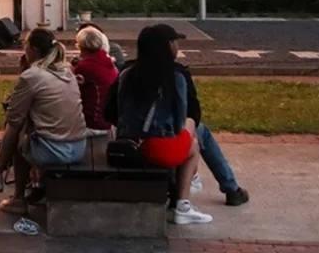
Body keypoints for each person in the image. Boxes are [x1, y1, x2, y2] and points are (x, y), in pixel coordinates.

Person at [0, 29, 89, 214]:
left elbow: (14, 118)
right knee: (25, 128)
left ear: (32, 49)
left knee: (18, 130)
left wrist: (24, 73)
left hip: (55, 150)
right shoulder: (66, 71)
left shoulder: (32, 76)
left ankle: (10, 190)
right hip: (78, 146)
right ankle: (4, 176)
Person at [104, 25, 212, 225]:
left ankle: (189, 185)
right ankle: (183, 204)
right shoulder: (175, 77)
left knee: (190, 135)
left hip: (125, 146)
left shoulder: (126, 74)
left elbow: (111, 111)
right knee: (193, 141)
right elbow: (182, 120)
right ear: (170, 46)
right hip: (156, 149)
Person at [152, 23, 249, 206]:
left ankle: (228, 187)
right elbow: (192, 113)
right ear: (170, 45)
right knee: (199, 131)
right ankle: (231, 188)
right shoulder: (177, 74)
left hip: (132, 138)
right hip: (161, 137)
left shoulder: (128, 70)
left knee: (195, 130)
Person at [71, 26, 118, 134]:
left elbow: (70, 90)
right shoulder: (107, 62)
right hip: (108, 119)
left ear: (81, 45)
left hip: (93, 121)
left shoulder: (85, 67)